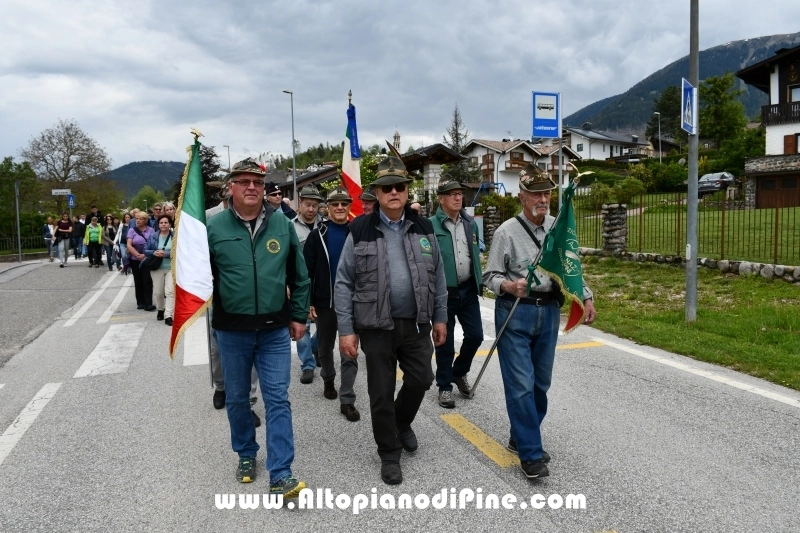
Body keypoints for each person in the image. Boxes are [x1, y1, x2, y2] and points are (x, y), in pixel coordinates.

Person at [334, 156, 448, 485]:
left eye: (399, 186)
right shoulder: (360, 230)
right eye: (387, 188)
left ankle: (400, 422)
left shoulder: (423, 227)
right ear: (378, 193)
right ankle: (389, 453)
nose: (394, 192)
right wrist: (346, 330)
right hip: (376, 327)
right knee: (381, 392)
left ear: (407, 190)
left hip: (416, 324)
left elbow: (438, 274)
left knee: (422, 379)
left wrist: (440, 317)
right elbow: (344, 282)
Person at [483, 163, 597, 480]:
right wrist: (509, 285)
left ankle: (520, 436)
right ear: (522, 197)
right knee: (521, 385)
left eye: (546, 192)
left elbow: (570, 268)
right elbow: (489, 277)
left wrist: (586, 296)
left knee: (540, 385)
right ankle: (531, 454)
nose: (543, 199)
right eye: (536, 193)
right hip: (515, 311)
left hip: (548, 312)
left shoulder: (558, 227)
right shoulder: (506, 232)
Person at [207, 158, 309, 495]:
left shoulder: (281, 224)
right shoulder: (213, 227)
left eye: (258, 182)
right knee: (237, 399)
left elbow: (299, 275)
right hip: (231, 330)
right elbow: (199, 276)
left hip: (273, 330)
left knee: (278, 398)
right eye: (244, 181)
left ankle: (281, 473)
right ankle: (246, 453)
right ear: (231, 187)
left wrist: (298, 315)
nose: (252, 187)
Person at [205, 180, 261, 427]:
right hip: (218, 296)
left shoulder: (256, 216)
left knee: (251, 349)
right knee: (217, 350)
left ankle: (249, 401)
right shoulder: (209, 217)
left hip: (250, 299)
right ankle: (220, 386)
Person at [304, 186, 360, 421]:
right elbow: (306, 271)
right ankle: (328, 378)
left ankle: (347, 399)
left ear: (349, 207)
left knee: (350, 350)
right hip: (325, 301)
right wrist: (308, 301)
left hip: (353, 302)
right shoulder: (317, 235)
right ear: (327, 208)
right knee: (325, 346)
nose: (339, 207)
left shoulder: (357, 232)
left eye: (343, 204)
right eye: (335, 204)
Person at [429, 177, 484, 408]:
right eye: (452, 194)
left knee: (476, 336)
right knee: (444, 342)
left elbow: (474, 253)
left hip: (468, 289)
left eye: (459, 193)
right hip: (443, 293)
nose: (457, 197)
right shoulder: (430, 226)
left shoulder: (470, 223)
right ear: (441, 199)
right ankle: (444, 387)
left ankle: (458, 372)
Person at [291, 184, 324, 384]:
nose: (311, 209)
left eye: (315, 205)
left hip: (322, 283)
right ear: (300, 203)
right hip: (299, 283)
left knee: (326, 323)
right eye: (307, 205)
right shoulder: (290, 227)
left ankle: (315, 346)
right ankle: (308, 365)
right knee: (302, 323)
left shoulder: (326, 225)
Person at [145, 215, 175, 325]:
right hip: (156, 268)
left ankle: (168, 315)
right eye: (161, 222)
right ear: (158, 224)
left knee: (170, 292)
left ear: (170, 224)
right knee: (158, 292)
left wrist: (165, 254)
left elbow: (180, 251)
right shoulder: (153, 236)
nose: (163, 224)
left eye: (166, 222)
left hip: (171, 268)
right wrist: (154, 252)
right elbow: (145, 250)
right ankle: (160, 309)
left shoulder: (175, 236)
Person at [126, 212, 156, 311]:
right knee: (138, 280)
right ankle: (140, 302)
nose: (138, 220)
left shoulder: (151, 230)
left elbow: (153, 245)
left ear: (145, 220)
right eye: (137, 219)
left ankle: (148, 303)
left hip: (147, 259)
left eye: (140, 219)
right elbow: (129, 245)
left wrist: (144, 255)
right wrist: (137, 255)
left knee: (147, 280)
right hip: (135, 259)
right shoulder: (132, 230)